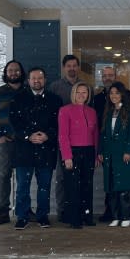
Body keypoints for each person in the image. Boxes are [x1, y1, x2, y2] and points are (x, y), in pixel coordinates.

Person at [10, 67, 62, 229]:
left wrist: (47, 135)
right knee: (23, 187)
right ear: (28, 80)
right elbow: (14, 123)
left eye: (40, 78)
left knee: (44, 187)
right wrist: (28, 135)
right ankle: (22, 216)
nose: (37, 81)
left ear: (45, 80)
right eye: (33, 78)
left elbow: (58, 124)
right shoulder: (18, 99)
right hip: (24, 151)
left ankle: (42, 216)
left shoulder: (55, 100)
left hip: (46, 151)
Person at [0, 60, 25, 226]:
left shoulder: (27, 91)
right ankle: (3, 211)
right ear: (5, 73)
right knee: (5, 175)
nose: (13, 73)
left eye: (16, 70)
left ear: (21, 72)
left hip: (24, 142)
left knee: (24, 176)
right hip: (6, 142)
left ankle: (24, 208)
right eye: (10, 70)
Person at [98, 82, 130, 227]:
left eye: (117, 93)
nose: (114, 96)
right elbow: (103, 134)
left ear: (122, 94)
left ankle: (127, 216)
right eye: (111, 93)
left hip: (124, 153)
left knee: (125, 186)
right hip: (110, 154)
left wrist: (129, 150)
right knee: (112, 187)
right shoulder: (108, 111)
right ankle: (116, 216)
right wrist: (101, 151)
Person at [58, 82, 99, 228]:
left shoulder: (91, 111)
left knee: (87, 185)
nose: (81, 95)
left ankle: (87, 216)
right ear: (73, 94)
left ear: (88, 95)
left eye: (85, 92)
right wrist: (67, 156)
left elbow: (95, 136)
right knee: (72, 186)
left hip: (88, 152)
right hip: (73, 152)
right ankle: (74, 219)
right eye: (78, 92)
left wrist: (95, 155)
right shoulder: (65, 110)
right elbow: (63, 135)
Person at [48, 54, 80, 221]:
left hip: (81, 140)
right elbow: (49, 113)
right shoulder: (55, 87)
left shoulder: (84, 86)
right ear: (64, 67)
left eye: (75, 65)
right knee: (61, 176)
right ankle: (62, 210)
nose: (72, 68)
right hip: (62, 139)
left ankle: (79, 210)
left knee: (79, 176)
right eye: (69, 66)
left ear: (78, 67)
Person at [92, 64, 118, 223]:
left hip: (120, 144)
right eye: (105, 75)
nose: (108, 78)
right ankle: (109, 210)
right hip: (105, 143)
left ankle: (124, 211)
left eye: (111, 75)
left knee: (123, 179)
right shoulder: (97, 99)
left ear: (115, 76)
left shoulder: (126, 96)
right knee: (109, 179)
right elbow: (96, 125)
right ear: (102, 78)